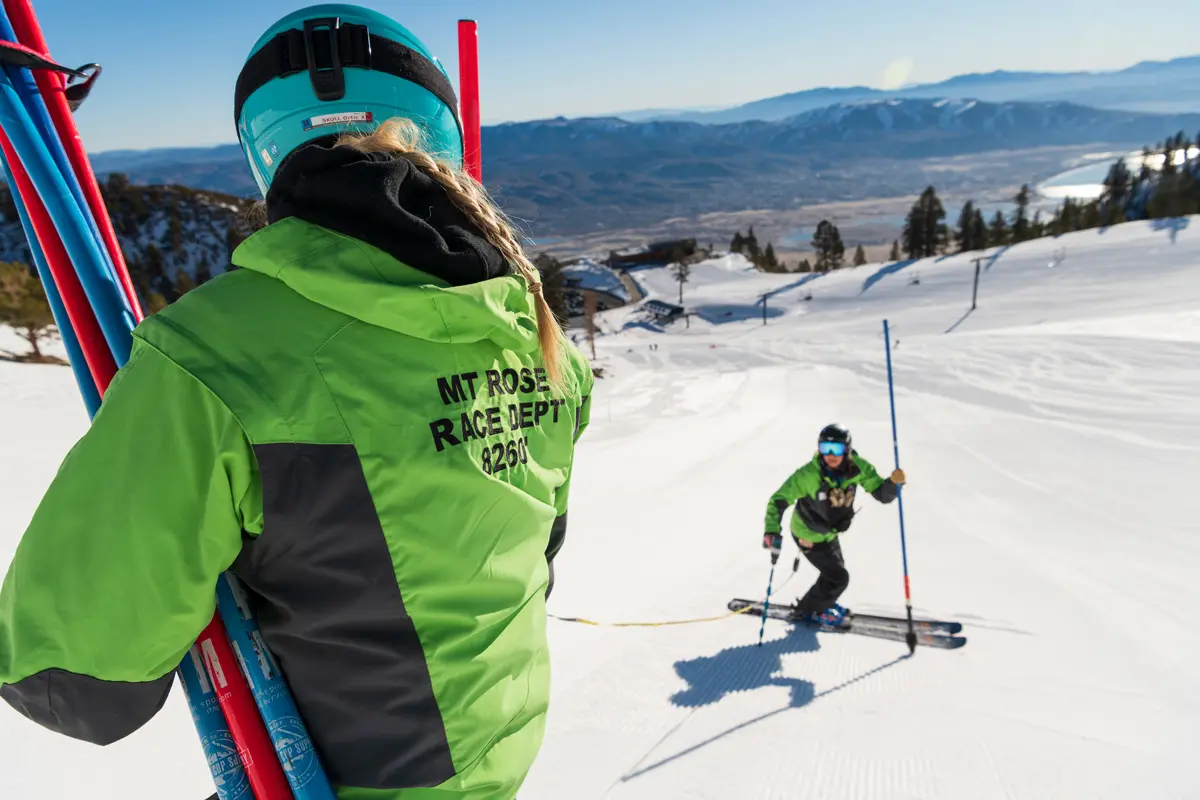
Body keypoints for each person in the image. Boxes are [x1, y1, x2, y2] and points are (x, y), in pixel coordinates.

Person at [0, 5, 592, 799]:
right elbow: (536, 553)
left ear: (266, 153)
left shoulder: (210, 359)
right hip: (498, 756)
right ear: (440, 133)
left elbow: (75, 682)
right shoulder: (540, 342)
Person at [762, 424, 905, 627]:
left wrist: (893, 484)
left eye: (836, 449)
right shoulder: (809, 475)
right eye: (824, 448)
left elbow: (881, 494)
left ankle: (819, 604)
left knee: (834, 573)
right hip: (807, 534)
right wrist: (772, 530)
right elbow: (778, 500)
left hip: (829, 533)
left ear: (847, 449)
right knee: (838, 578)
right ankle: (811, 611)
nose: (830, 455)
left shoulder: (859, 468)